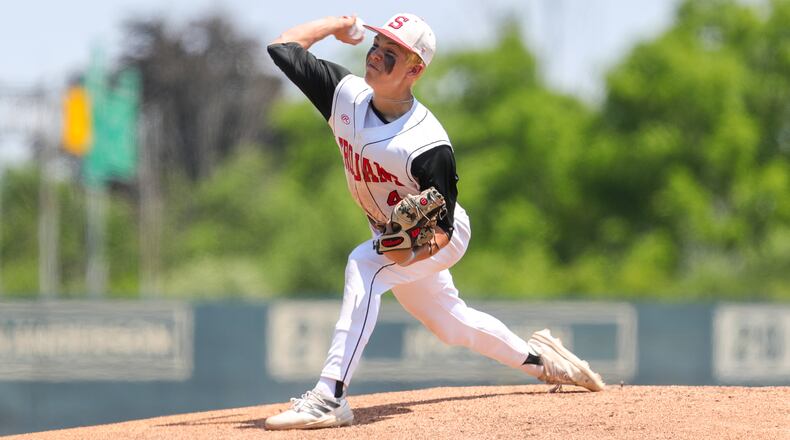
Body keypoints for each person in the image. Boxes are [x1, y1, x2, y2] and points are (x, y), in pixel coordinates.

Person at [264, 13, 605, 430]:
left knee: (364, 265)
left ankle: (330, 395)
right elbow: (283, 47)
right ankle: (544, 362)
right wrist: (336, 25)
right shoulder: (343, 96)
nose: (375, 55)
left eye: (391, 53)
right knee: (450, 324)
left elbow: (441, 229)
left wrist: (410, 252)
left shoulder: (427, 145)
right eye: (376, 45)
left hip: (440, 236)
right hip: (393, 235)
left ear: (415, 69)